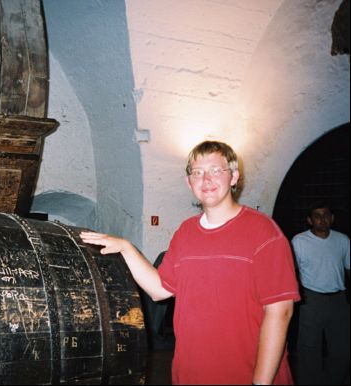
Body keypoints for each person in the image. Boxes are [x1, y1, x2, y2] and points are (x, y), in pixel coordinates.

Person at [80, 140, 300, 385]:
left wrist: (261, 382)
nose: (206, 179)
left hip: (246, 373)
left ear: (234, 177)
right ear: (189, 182)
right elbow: (159, 290)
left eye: (216, 170)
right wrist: (127, 248)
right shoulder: (185, 232)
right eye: (197, 172)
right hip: (191, 373)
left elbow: (280, 311)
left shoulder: (263, 232)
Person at [291, 202, 350, 385]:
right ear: (310, 220)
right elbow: (293, 271)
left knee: (342, 348)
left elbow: (348, 269)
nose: (322, 219)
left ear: (332, 218)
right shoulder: (299, 241)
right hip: (312, 299)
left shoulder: (343, 240)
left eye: (326, 215)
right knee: (309, 348)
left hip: (339, 300)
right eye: (317, 215)